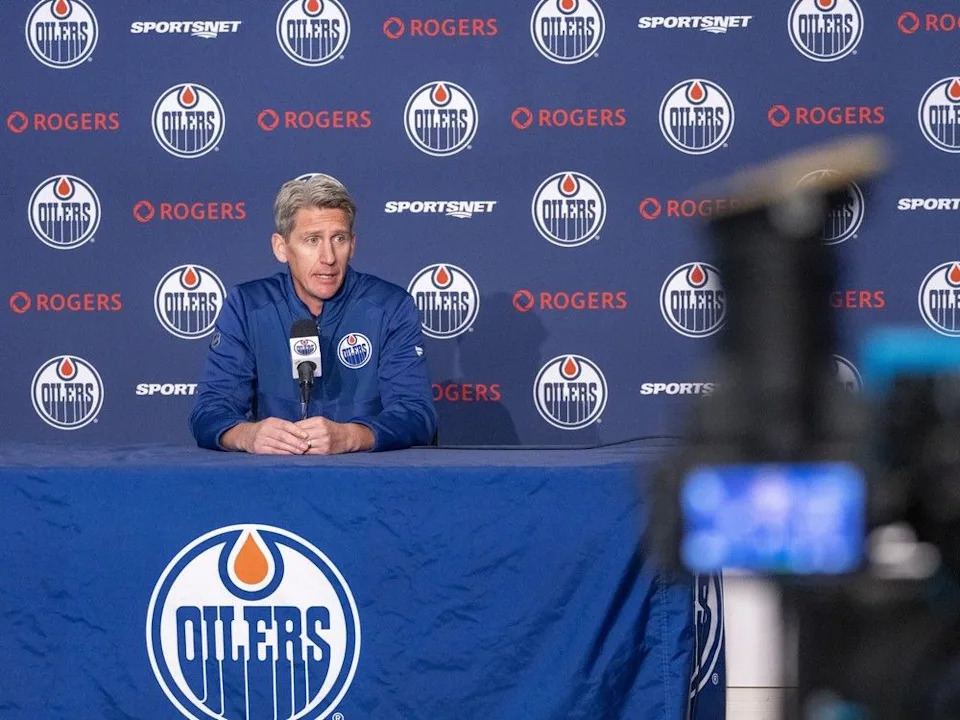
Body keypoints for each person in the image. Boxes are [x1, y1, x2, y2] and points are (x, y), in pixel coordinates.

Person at [190, 175, 437, 454]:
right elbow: (209, 411)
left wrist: (351, 436)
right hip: (275, 483)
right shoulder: (247, 306)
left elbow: (418, 415)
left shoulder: (391, 307)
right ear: (281, 248)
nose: (328, 257)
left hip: (367, 485)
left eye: (339, 239)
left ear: (352, 245)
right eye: (312, 240)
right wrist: (248, 435)